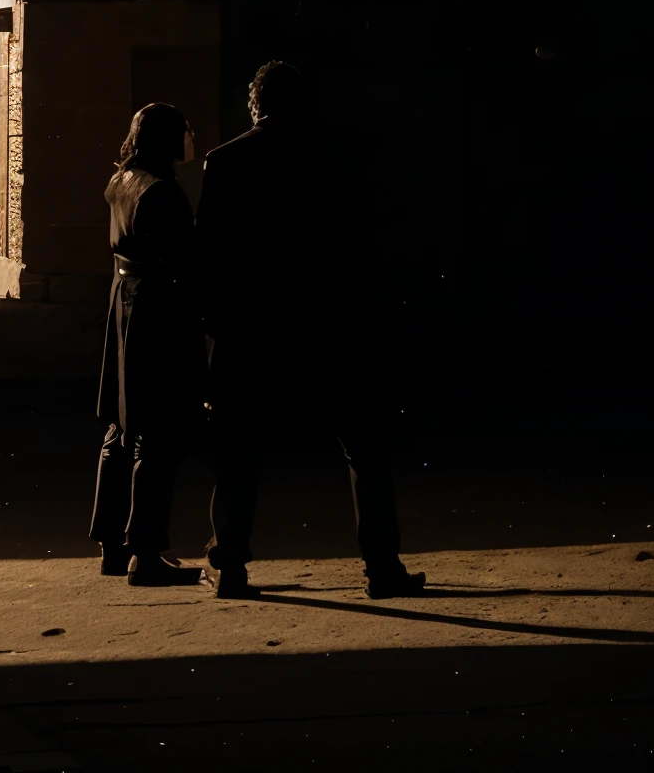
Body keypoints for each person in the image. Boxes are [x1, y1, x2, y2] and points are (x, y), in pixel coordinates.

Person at [197, 59, 426, 601]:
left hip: (251, 330)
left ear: (254, 104)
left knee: (238, 452)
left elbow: (209, 256)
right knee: (363, 450)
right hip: (331, 325)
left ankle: (230, 565)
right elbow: (363, 246)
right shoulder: (338, 158)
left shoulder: (224, 162)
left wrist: (214, 328)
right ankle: (382, 567)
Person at [90, 101, 206, 587]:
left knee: (122, 427)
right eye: (185, 131)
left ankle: (114, 544)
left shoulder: (123, 181)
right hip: (157, 313)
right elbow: (185, 263)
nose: (191, 138)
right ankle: (146, 552)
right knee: (157, 434)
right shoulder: (162, 192)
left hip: (127, 307)